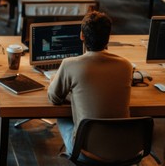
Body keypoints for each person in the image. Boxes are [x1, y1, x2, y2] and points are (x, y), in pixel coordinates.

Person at [47, 11, 133, 156]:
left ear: (82, 36)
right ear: (108, 37)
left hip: (86, 152)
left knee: (62, 117)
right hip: (124, 150)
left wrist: (57, 82)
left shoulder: (69, 65)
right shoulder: (126, 66)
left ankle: (73, 151)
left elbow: (54, 98)